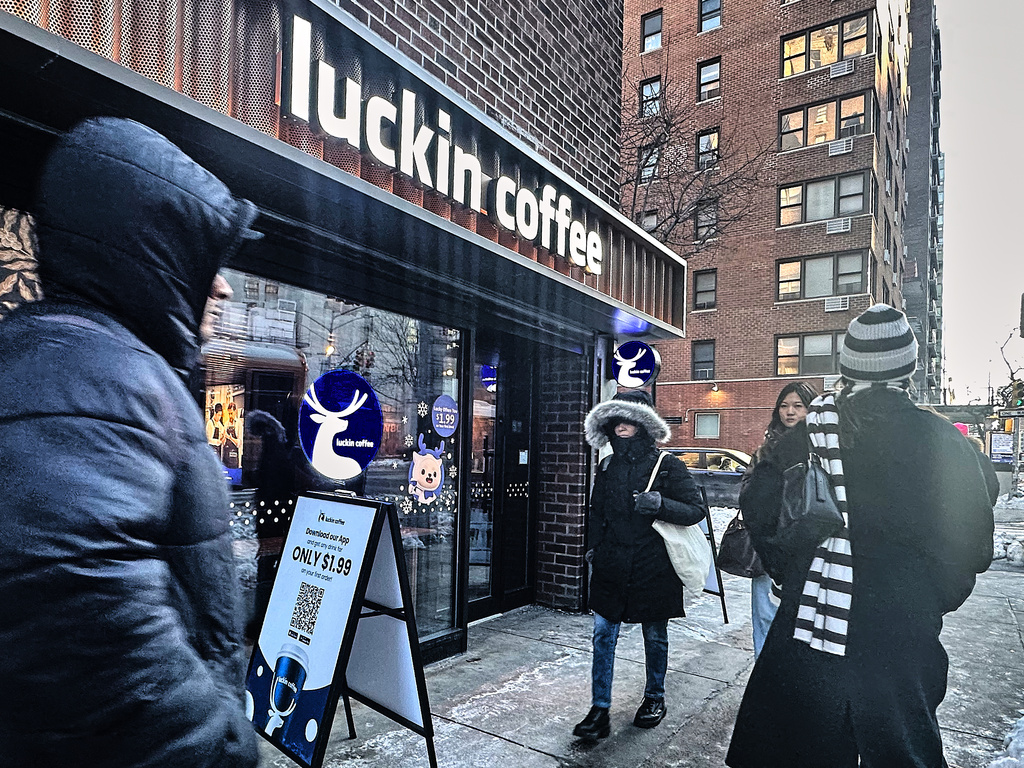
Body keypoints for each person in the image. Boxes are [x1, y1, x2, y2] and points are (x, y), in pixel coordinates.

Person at [0, 117, 262, 767]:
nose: (224, 285)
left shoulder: (86, 363)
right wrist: (224, 741)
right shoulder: (102, 376)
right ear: (156, 258)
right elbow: (86, 624)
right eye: (207, 260)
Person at [727, 304, 995, 768]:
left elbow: (759, 509)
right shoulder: (943, 440)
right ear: (908, 368)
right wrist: (926, 598)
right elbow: (972, 545)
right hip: (901, 627)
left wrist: (797, 574)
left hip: (812, 621)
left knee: (802, 751)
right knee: (899, 749)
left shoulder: (807, 434)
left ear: (848, 365)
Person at [573, 390, 707, 740]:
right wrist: (593, 548)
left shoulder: (668, 465)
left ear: (644, 423)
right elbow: (596, 512)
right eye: (615, 420)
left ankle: (654, 698)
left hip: (653, 565)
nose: (620, 426)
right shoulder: (607, 465)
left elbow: (695, 510)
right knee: (603, 635)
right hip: (612, 563)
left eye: (628, 419)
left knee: (655, 635)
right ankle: (599, 709)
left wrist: (661, 504)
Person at [741, 381, 818, 658]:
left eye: (798, 405)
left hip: (808, 545)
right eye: (784, 406)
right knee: (764, 615)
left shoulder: (820, 448)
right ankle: (762, 672)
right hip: (767, 546)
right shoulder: (766, 448)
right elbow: (749, 493)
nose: (790, 412)